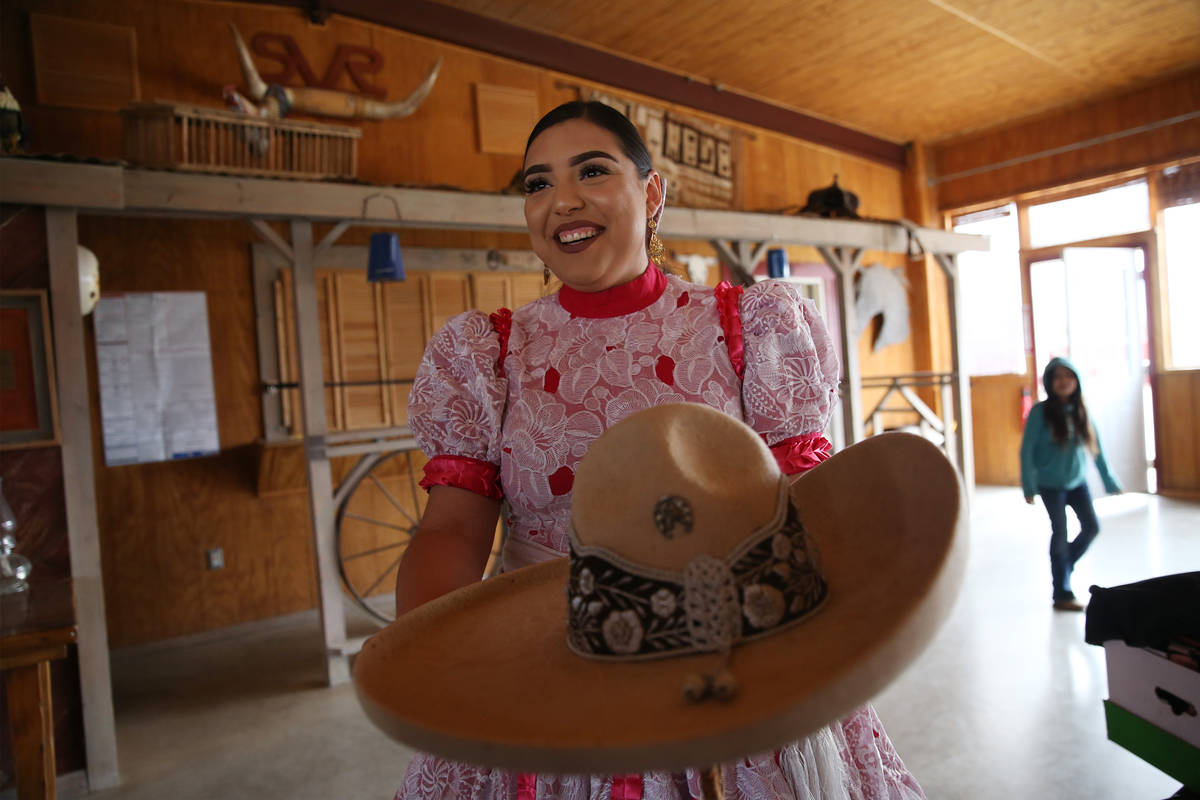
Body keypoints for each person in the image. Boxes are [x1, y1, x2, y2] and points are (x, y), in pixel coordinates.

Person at [394, 100, 925, 800]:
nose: (563, 200)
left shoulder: (746, 329)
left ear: (652, 194)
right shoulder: (487, 355)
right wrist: (432, 660)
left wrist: (823, 646)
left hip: (735, 665)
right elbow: (453, 529)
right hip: (550, 672)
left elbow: (806, 506)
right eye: (537, 183)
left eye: (591, 170)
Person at [1020, 357, 1122, 612]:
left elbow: (1096, 449)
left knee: (1091, 527)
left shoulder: (1081, 410)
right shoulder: (1039, 412)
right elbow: (1027, 450)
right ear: (1050, 383)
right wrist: (1029, 485)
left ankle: (1063, 567)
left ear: (1076, 380)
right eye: (1058, 377)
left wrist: (1108, 479)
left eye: (1069, 376)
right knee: (1060, 533)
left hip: (1077, 482)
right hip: (1050, 485)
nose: (1064, 382)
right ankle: (1062, 594)